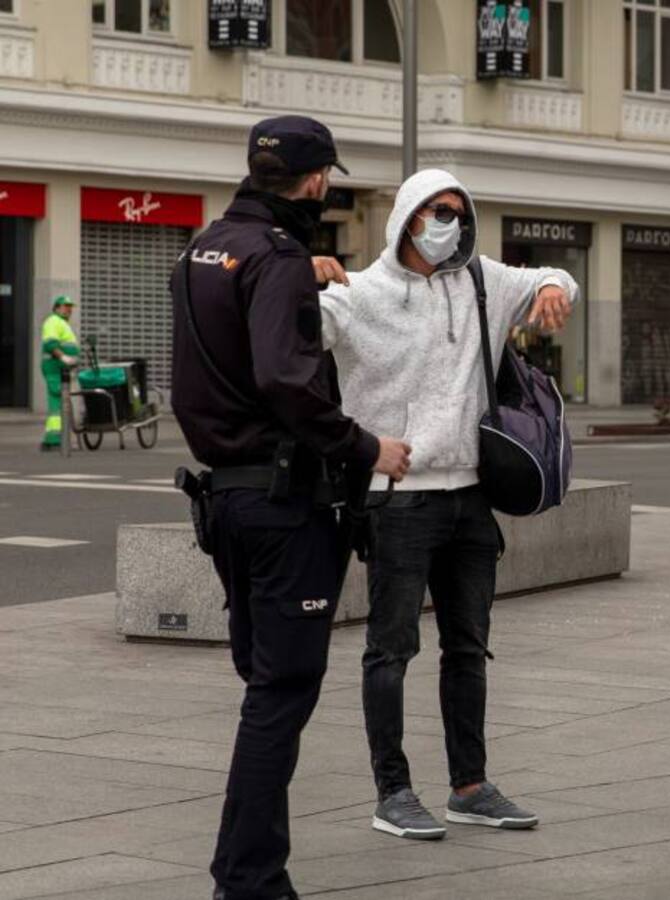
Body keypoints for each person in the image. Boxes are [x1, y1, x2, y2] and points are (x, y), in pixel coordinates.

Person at [170, 115, 411, 900]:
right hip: (283, 506)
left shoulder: (205, 247)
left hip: (228, 501)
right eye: (327, 180)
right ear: (314, 182)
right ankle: (249, 882)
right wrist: (367, 447)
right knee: (281, 694)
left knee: (263, 685)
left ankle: (245, 873)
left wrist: (297, 274)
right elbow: (284, 378)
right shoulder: (273, 259)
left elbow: (216, 364)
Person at [317, 168, 576, 841]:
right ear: (406, 216)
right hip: (396, 500)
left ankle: (470, 785)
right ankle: (393, 792)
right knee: (390, 648)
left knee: (468, 647)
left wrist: (551, 287)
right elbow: (300, 330)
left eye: (459, 213)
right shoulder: (362, 291)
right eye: (437, 211)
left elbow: (560, 277)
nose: (449, 224)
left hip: (469, 498)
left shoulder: (480, 280)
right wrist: (295, 274)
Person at [39, 295, 79, 451]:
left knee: (59, 401)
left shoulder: (61, 323)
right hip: (55, 368)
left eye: (70, 306)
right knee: (58, 402)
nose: (69, 309)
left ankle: (52, 438)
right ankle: (55, 439)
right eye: (65, 306)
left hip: (61, 369)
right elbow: (50, 344)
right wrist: (64, 357)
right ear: (56, 308)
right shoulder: (53, 322)